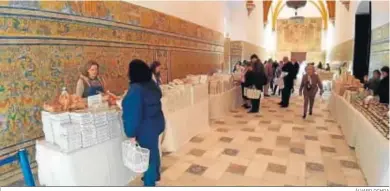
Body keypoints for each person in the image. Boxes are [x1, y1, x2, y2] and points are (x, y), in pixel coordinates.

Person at [122, 59, 165, 186]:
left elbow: (132, 114)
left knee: (148, 156)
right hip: (156, 123)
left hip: (146, 128)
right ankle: (155, 174)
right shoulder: (151, 84)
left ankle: (149, 182)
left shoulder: (136, 89)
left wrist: (131, 132)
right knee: (154, 150)